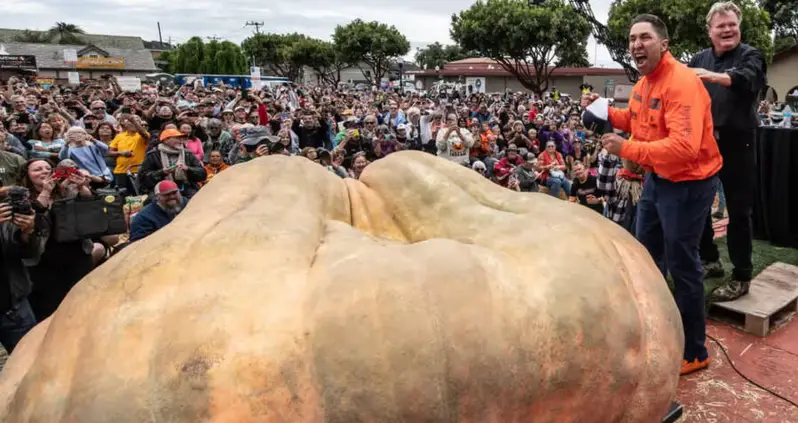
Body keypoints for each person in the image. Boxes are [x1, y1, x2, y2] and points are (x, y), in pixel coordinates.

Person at [583, 14, 723, 376]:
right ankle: (657, 328)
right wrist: (603, 113)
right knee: (646, 256)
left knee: (682, 263)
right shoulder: (645, 83)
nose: (635, 45)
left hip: (689, 184)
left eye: (644, 37)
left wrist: (625, 149)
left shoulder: (682, 83)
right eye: (632, 39)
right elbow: (635, 119)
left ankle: (694, 349)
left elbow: (684, 148)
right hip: (658, 180)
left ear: (664, 44)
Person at [689, 1, 766, 301]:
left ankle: (742, 276)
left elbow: (748, 80)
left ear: (739, 27)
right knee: (698, 203)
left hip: (739, 143)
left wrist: (711, 76)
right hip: (706, 143)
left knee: (738, 210)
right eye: (720, 26)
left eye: (732, 24)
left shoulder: (751, 55)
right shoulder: (700, 57)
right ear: (710, 31)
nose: (727, 29)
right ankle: (710, 260)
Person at [0, 200, 40, 353]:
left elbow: (30, 254)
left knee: (32, 364)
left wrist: (27, 232)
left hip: (14, 308)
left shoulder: (6, 209)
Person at [138, 128, 207, 199]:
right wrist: (162, 172)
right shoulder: (153, 155)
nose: (181, 140)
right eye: (177, 138)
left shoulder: (188, 153)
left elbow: (203, 174)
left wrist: (188, 169)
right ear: (166, 140)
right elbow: (144, 179)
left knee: (198, 199)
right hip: (161, 190)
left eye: (182, 138)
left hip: (186, 187)